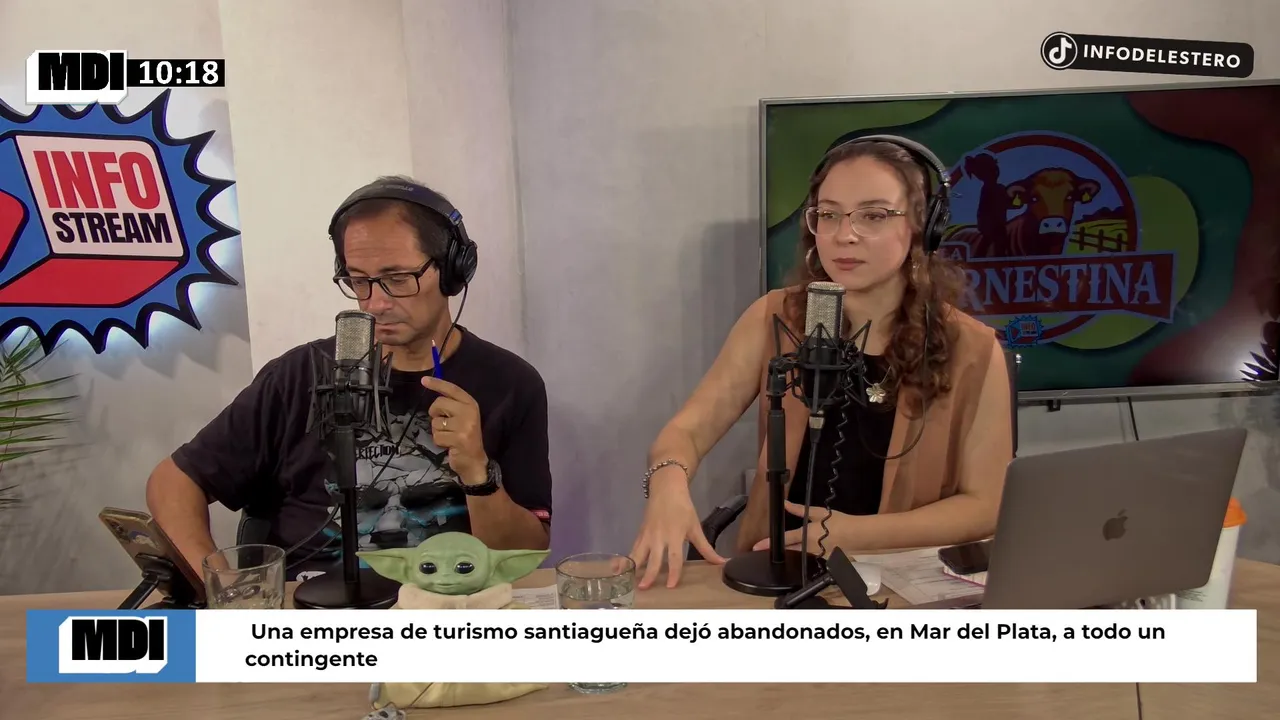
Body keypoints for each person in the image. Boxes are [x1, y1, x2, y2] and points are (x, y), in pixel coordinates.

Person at [630, 137, 1013, 589]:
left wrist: (854, 535)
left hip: (901, 587)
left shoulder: (972, 348)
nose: (844, 234)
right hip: (776, 575)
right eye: (828, 215)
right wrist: (668, 484)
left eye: (873, 215)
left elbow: (987, 504)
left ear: (922, 225)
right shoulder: (777, 318)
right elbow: (686, 433)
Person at [146, 176, 553, 580]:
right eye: (359, 281)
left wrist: (478, 474)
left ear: (452, 271)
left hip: (447, 604)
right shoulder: (298, 375)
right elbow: (173, 481)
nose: (375, 303)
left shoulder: (510, 384)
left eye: (398, 279)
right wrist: (220, 588)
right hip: (309, 608)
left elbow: (525, 555)